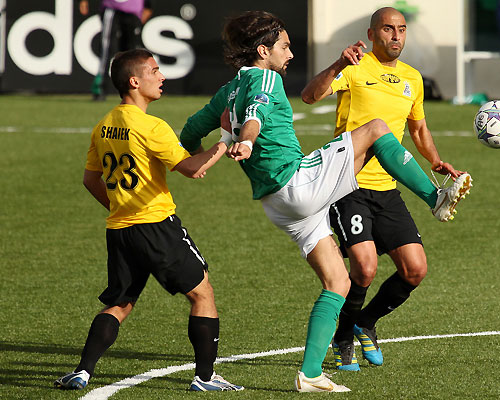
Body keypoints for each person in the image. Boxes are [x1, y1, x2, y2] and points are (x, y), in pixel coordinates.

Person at [179, 11, 472, 392]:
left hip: (275, 203)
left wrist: (200, 158)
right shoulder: (265, 77)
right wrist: (247, 139)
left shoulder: (227, 89)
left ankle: (311, 373)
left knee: (338, 280)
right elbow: (256, 114)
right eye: (284, 47)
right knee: (377, 129)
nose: (290, 54)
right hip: (298, 181)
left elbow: (188, 132)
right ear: (263, 50)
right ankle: (435, 198)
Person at [54, 49, 243, 392]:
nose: (162, 77)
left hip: (119, 230)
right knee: (203, 295)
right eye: (155, 71)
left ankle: (82, 371)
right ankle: (204, 378)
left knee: (120, 304)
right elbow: (192, 168)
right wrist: (226, 139)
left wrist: (119, 207)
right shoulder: (151, 126)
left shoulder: (104, 125)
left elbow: (90, 180)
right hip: (157, 227)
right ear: (134, 81)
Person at [301, 7, 470, 372]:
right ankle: (343, 335)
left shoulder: (412, 78)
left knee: (415, 269)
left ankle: (366, 322)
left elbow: (419, 130)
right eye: (388, 29)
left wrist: (436, 161)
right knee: (364, 267)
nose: (396, 36)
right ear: (373, 33)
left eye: (401, 29)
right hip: (348, 185)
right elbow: (309, 96)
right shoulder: (356, 66)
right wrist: (336, 64)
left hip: (387, 190)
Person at [79, 0, 153, 101]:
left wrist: (148, 6)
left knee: (132, 55)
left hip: (133, 10)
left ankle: (134, 90)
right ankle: (100, 87)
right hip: (112, 8)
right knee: (107, 49)